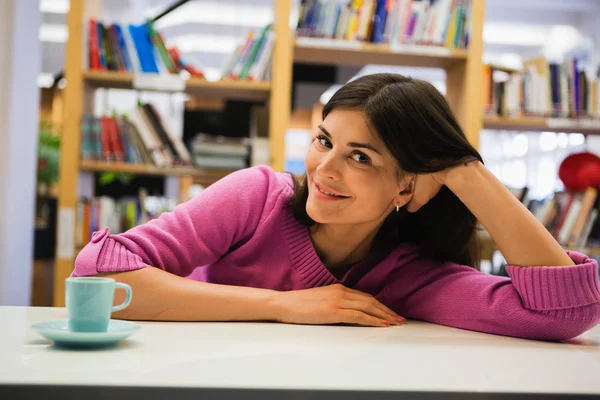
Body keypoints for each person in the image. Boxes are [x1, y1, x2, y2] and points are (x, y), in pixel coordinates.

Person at [74, 73, 600, 341]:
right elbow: (99, 277)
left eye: (360, 157)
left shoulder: (409, 275)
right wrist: (287, 305)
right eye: (324, 141)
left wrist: (467, 172)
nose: (325, 169)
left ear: (406, 188)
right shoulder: (257, 197)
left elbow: (562, 315)